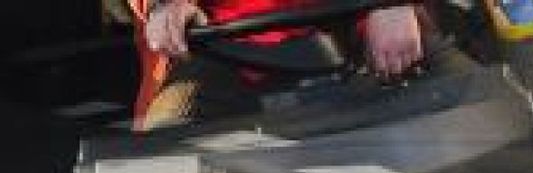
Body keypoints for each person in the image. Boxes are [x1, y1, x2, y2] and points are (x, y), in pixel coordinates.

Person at [130, 0, 428, 128]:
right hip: (218, 45)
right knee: (166, 158)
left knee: (463, 138)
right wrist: (164, 6)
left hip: (365, 28)